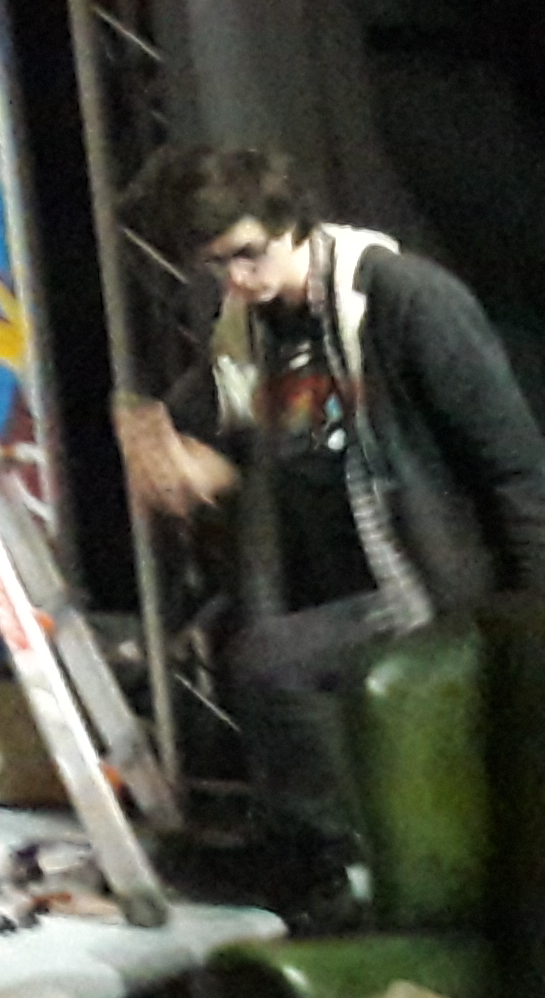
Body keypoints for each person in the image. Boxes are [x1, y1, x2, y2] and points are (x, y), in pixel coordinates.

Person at [114, 146, 545, 902]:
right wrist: (158, 443)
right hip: (355, 573)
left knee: (274, 665)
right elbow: (211, 423)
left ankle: (323, 866)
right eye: (217, 266)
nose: (236, 280)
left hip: (444, 578)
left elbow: (515, 468)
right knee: (260, 654)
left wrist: (533, 623)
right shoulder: (259, 326)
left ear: (292, 222)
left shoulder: (404, 301)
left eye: (248, 255)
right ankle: (321, 858)